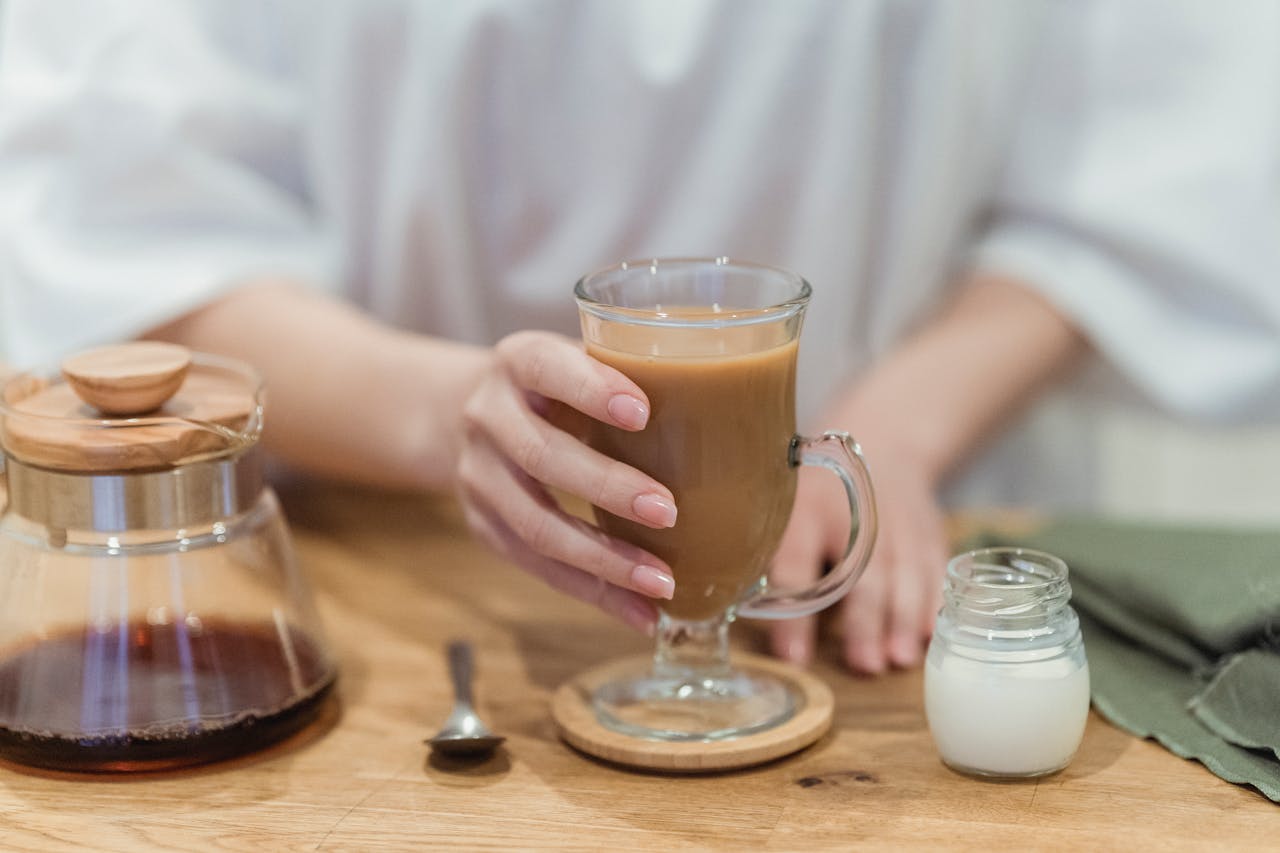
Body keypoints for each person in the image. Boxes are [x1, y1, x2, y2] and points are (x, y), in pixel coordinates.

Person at [1, 1, 1277, 674]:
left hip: (879, 590)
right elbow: (125, 211)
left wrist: (900, 422)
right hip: (397, 581)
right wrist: (446, 413)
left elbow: (1156, 163)